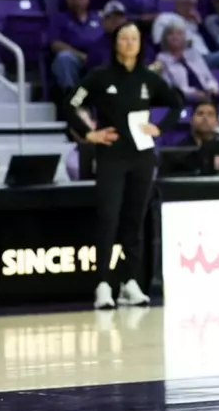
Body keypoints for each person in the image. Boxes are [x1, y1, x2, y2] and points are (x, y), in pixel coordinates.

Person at [66, 21, 186, 311]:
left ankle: (130, 282)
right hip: (111, 156)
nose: (130, 43)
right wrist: (89, 133)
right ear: (115, 42)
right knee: (109, 219)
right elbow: (71, 103)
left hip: (142, 157)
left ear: (141, 44)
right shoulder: (99, 76)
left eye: (134, 38)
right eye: (124, 38)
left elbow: (176, 103)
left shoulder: (148, 78)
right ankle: (103, 284)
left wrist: (159, 128)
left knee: (134, 220)